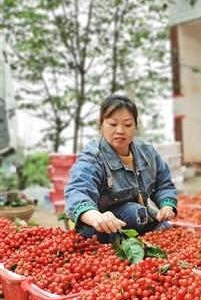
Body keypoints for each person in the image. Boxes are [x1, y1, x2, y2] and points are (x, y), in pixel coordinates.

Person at [64, 94, 177, 243]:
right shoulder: (92, 157)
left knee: (160, 225)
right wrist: (96, 217)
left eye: (128, 124)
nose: (120, 131)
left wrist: (167, 205)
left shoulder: (147, 152)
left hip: (138, 216)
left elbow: (164, 184)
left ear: (135, 126)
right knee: (135, 213)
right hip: (99, 225)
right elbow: (77, 191)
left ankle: (140, 234)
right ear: (102, 124)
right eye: (112, 124)